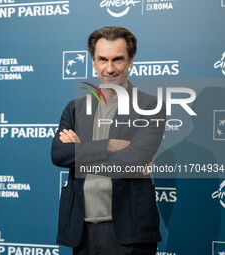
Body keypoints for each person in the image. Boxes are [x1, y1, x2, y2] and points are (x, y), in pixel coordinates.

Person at [51, 26, 166, 255]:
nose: (109, 68)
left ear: (131, 61)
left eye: (118, 60)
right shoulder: (75, 109)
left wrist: (81, 150)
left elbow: (133, 160)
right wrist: (109, 145)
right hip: (81, 232)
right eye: (102, 59)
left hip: (129, 231)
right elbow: (58, 155)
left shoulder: (149, 106)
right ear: (93, 62)